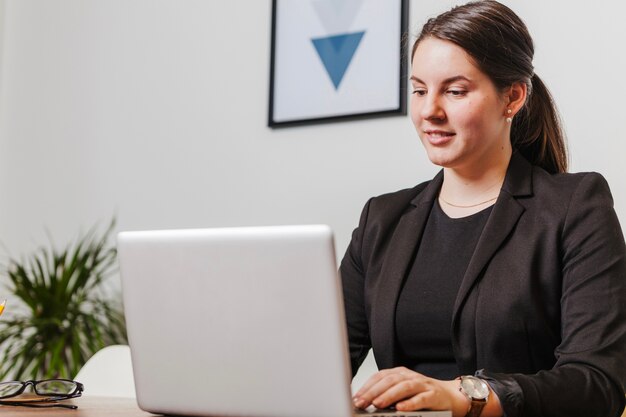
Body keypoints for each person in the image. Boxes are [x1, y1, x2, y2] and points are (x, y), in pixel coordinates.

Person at [340, 2, 626, 417]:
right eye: (419, 90)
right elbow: (317, 365)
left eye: (454, 91)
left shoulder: (575, 207)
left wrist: (465, 396)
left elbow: (597, 384)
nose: (428, 112)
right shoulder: (381, 220)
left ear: (512, 97)